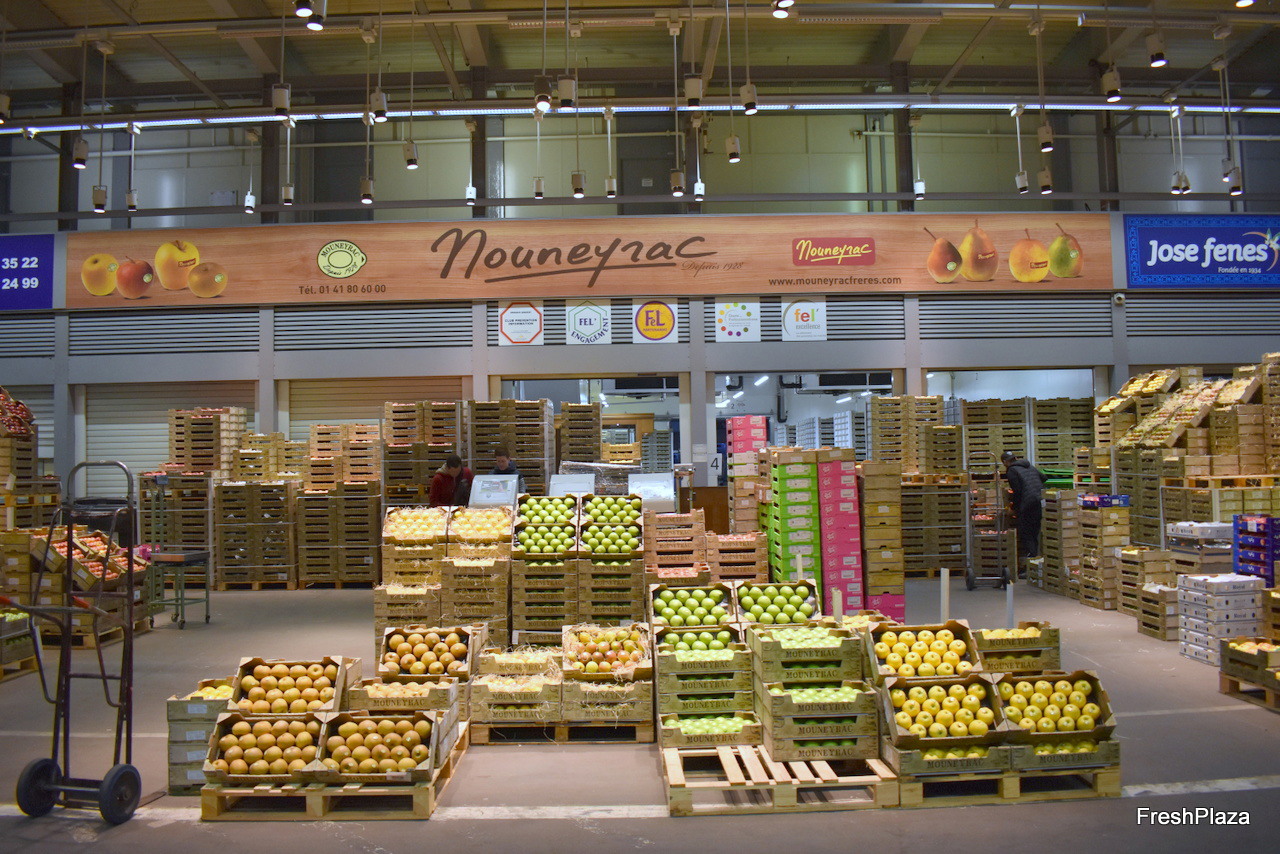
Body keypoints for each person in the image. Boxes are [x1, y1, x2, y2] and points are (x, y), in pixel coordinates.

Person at [1002, 450, 1045, 560]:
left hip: (1028, 503)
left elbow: (1018, 491)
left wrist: (1013, 508)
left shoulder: (1011, 471)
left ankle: (1031, 558)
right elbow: (1044, 478)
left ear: (1005, 462)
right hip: (1039, 500)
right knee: (1035, 530)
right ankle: (1036, 558)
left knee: (1025, 531)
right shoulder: (1029, 466)